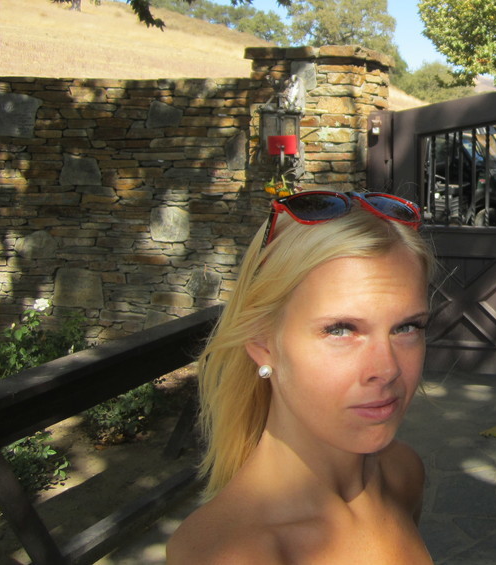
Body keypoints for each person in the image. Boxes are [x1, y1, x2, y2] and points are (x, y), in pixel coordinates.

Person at [167, 190, 435, 565]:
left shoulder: (402, 474)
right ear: (262, 342)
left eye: (406, 327)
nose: (387, 369)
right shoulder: (229, 553)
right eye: (340, 330)